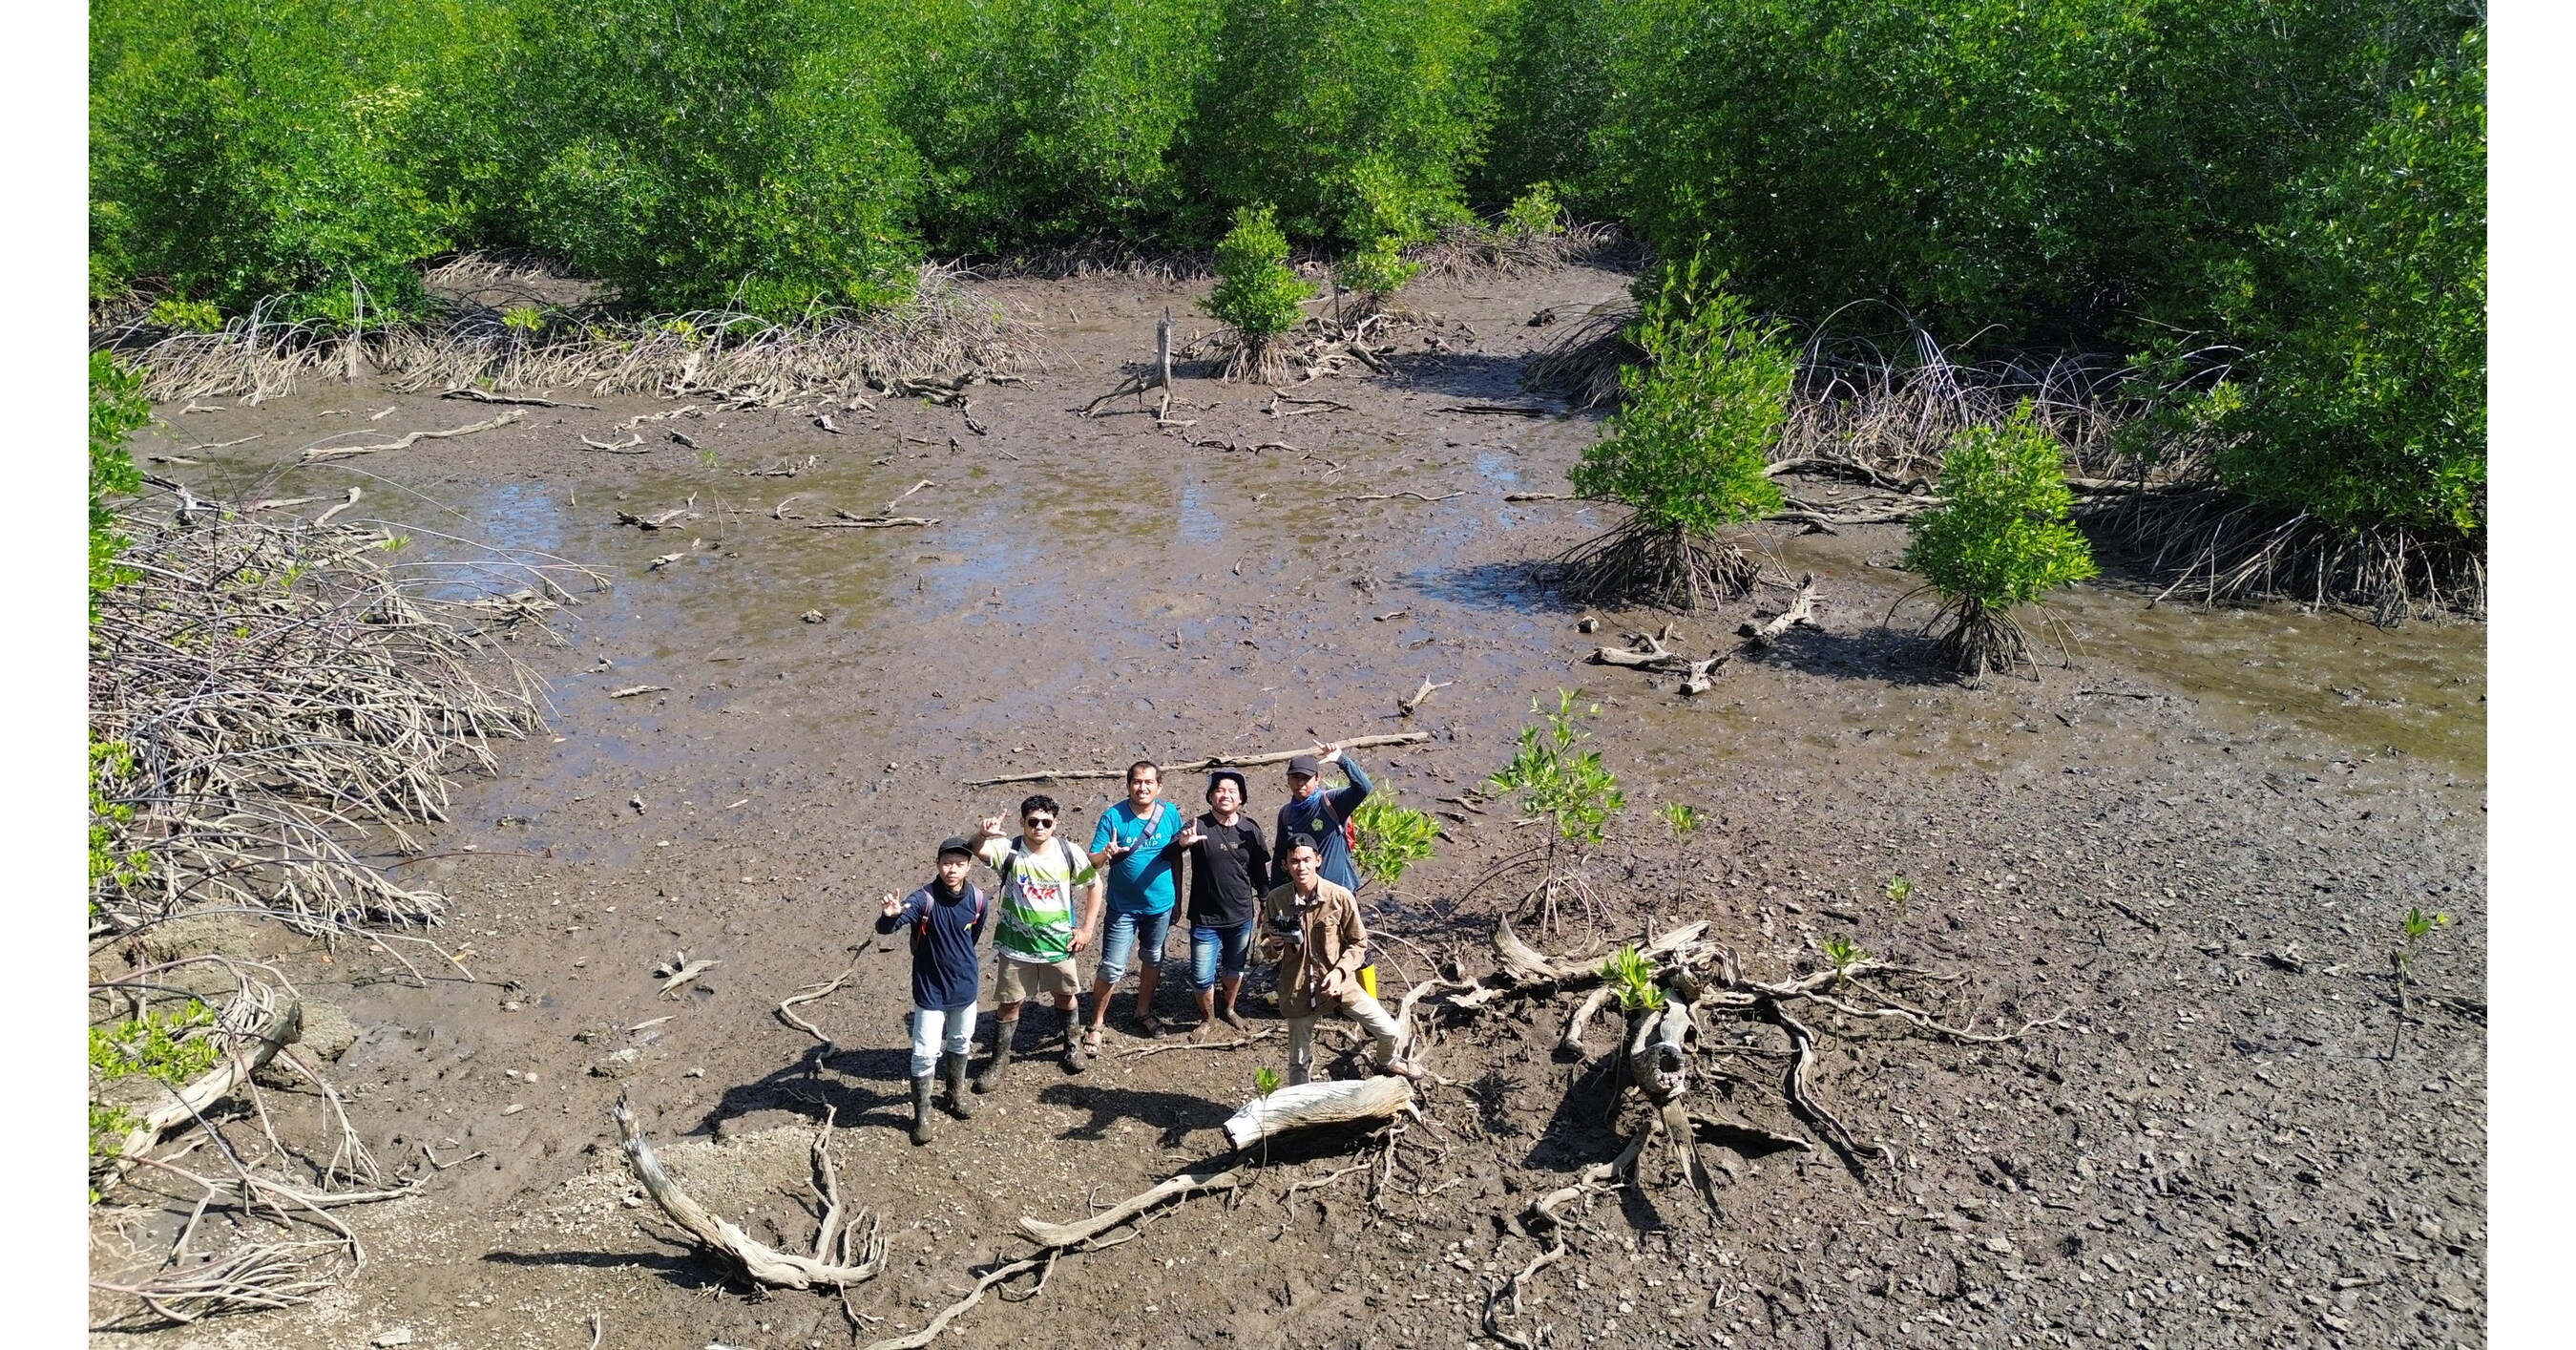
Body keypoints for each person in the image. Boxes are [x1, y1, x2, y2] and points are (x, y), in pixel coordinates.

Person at [1258, 837, 1420, 1086]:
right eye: (1294, 861)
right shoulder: (1277, 900)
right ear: (1286, 866)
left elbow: (1358, 943)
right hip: (1297, 991)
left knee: (1390, 1031)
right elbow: (1266, 947)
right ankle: (1301, 1110)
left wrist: (1340, 972)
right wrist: (1275, 945)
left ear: (1318, 861)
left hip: (1341, 988)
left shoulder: (1340, 897)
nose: (1301, 867)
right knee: (1298, 1062)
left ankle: (1386, 1061)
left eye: (1306, 860)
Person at [971, 795, 1102, 1086]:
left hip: (1059, 945)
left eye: (1046, 822)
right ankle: (999, 1060)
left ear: (1055, 823)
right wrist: (982, 832)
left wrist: (1087, 929)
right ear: (1022, 823)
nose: (1039, 827)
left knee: (1066, 997)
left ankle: (1072, 1045)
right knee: (1009, 1003)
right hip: (1016, 946)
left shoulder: (1069, 852)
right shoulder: (1009, 850)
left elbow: (1095, 885)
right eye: (1033, 822)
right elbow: (974, 849)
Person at [873, 838, 991, 1146]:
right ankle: (922, 1115)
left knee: (961, 1041)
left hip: (965, 987)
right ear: (938, 863)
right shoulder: (922, 899)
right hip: (929, 992)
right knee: (924, 1054)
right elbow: (887, 929)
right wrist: (889, 915)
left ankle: (955, 1095)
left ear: (968, 866)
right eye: (947, 863)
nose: (953, 869)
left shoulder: (979, 899)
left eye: (959, 863)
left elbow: (973, 937)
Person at [1082, 761, 1186, 1053]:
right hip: (1123, 908)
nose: (1142, 787)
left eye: (1148, 782)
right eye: (1137, 782)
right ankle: (1096, 1022)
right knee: (1112, 966)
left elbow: (1176, 856)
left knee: (1153, 958)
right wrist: (1106, 853)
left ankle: (1143, 1011)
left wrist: (1178, 898)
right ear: (1128, 785)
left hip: (1161, 906)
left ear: (1159, 786)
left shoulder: (1169, 814)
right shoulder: (1113, 816)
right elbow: (1092, 863)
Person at [1170, 770, 1271, 1041]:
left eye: (1232, 791)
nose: (1225, 795)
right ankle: (1208, 1018)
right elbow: (1168, 853)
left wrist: (1265, 902)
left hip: (1241, 915)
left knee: (1234, 968)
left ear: (1241, 798)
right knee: (1202, 975)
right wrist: (1182, 843)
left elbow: (1260, 871)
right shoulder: (1197, 825)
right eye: (1220, 790)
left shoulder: (1251, 828)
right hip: (1205, 917)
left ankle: (1228, 1008)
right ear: (1211, 796)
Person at [1272, 742, 1373, 894]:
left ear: (1317, 778)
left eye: (1306, 778)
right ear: (1288, 780)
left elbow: (1364, 787)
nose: (1300, 783)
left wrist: (1341, 759)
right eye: (1295, 777)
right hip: (1305, 894)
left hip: (1339, 892)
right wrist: (1271, 898)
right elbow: (1280, 856)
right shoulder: (1286, 814)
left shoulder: (1332, 801)